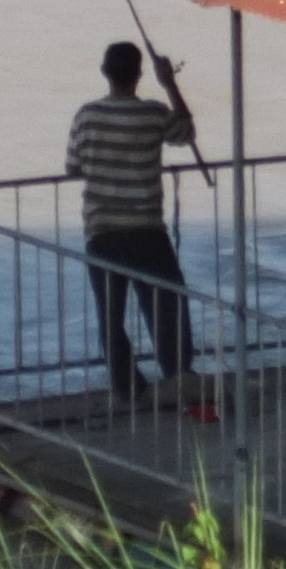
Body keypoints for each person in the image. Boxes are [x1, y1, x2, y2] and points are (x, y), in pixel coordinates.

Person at [68, 39, 204, 411]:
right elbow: (187, 132)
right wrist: (170, 84)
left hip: (103, 232)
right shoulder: (155, 114)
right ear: (140, 75)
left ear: (104, 72)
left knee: (110, 317)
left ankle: (130, 390)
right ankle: (178, 374)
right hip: (147, 228)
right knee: (167, 303)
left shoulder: (86, 115)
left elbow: (73, 166)